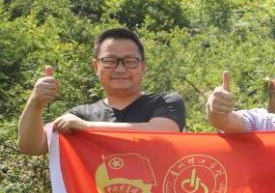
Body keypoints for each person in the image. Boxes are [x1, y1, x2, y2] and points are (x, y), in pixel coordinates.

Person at [17, 27, 186, 155]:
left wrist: (86, 127)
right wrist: (35, 102)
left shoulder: (166, 102)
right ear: (95, 66)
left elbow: (162, 132)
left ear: (144, 66)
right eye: (110, 61)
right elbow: (32, 146)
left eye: (130, 61)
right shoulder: (80, 115)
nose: (120, 69)